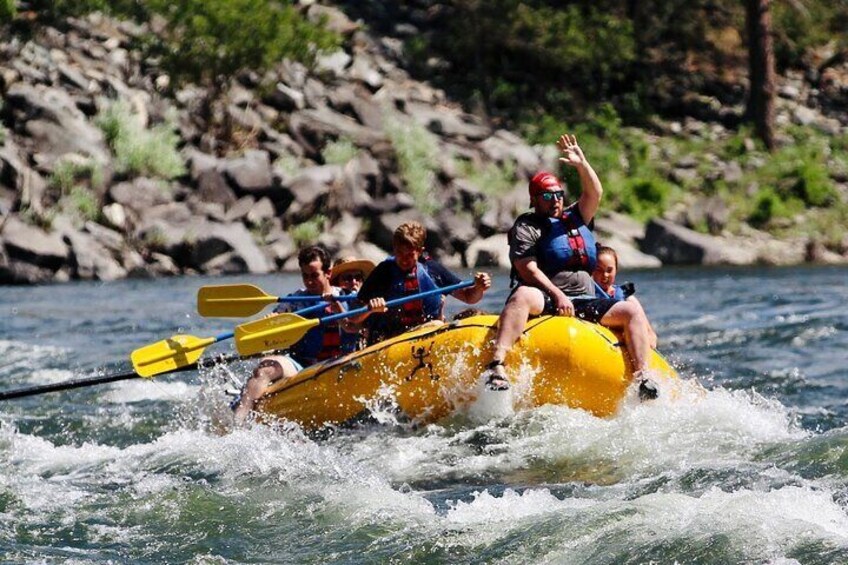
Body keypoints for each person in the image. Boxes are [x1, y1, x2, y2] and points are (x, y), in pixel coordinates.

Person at [480, 134, 658, 399]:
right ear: (535, 199)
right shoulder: (527, 226)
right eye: (547, 196)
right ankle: (497, 365)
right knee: (522, 295)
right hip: (547, 298)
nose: (555, 200)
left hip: (585, 300)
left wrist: (582, 164)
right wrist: (557, 294)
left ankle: (643, 378)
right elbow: (526, 267)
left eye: (558, 195)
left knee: (631, 311)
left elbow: (594, 193)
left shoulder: (577, 217)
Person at [233, 246, 359, 423]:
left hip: (341, 362)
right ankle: (238, 422)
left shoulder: (349, 297)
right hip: (302, 365)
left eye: (314, 275)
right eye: (305, 276)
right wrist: (271, 322)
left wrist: (335, 304)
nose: (309, 282)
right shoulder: (295, 300)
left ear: (328, 273)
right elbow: (276, 321)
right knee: (265, 368)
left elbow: (351, 328)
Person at [352, 221, 492, 344]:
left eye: (410, 255)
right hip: (389, 341)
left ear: (420, 251)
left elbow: (469, 297)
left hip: (426, 337)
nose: (404, 259)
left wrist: (479, 287)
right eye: (399, 253)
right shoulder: (383, 272)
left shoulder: (432, 269)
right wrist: (369, 309)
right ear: (394, 249)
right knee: (435, 324)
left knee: (437, 324)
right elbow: (353, 316)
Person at [592, 245, 658, 350]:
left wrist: (649, 337)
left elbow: (650, 333)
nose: (605, 275)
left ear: (616, 270)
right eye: (599, 270)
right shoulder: (588, 296)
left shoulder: (626, 296)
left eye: (609, 270)